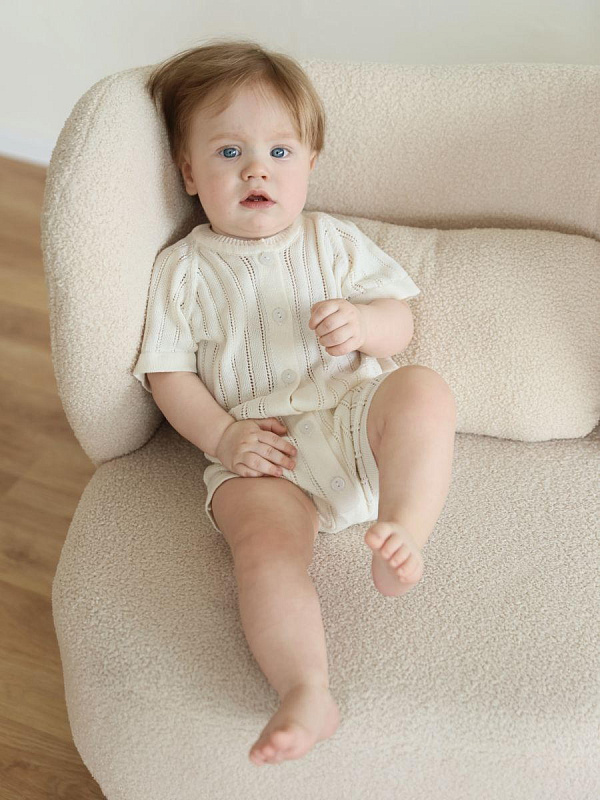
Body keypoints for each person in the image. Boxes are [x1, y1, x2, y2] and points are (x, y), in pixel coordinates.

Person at [132, 37, 457, 767]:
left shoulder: (332, 240)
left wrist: (365, 324)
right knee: (263, 554)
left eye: (279, 152)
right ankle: (306, 688)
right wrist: (223, 438)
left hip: (355, 425)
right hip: (263, 452)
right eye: (229, 153)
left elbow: (401, 320)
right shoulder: (184, 269)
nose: (256, 169)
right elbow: (167, 375)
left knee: (424, 391)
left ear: (310, 163)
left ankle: (404, 531)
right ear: (188, 172)